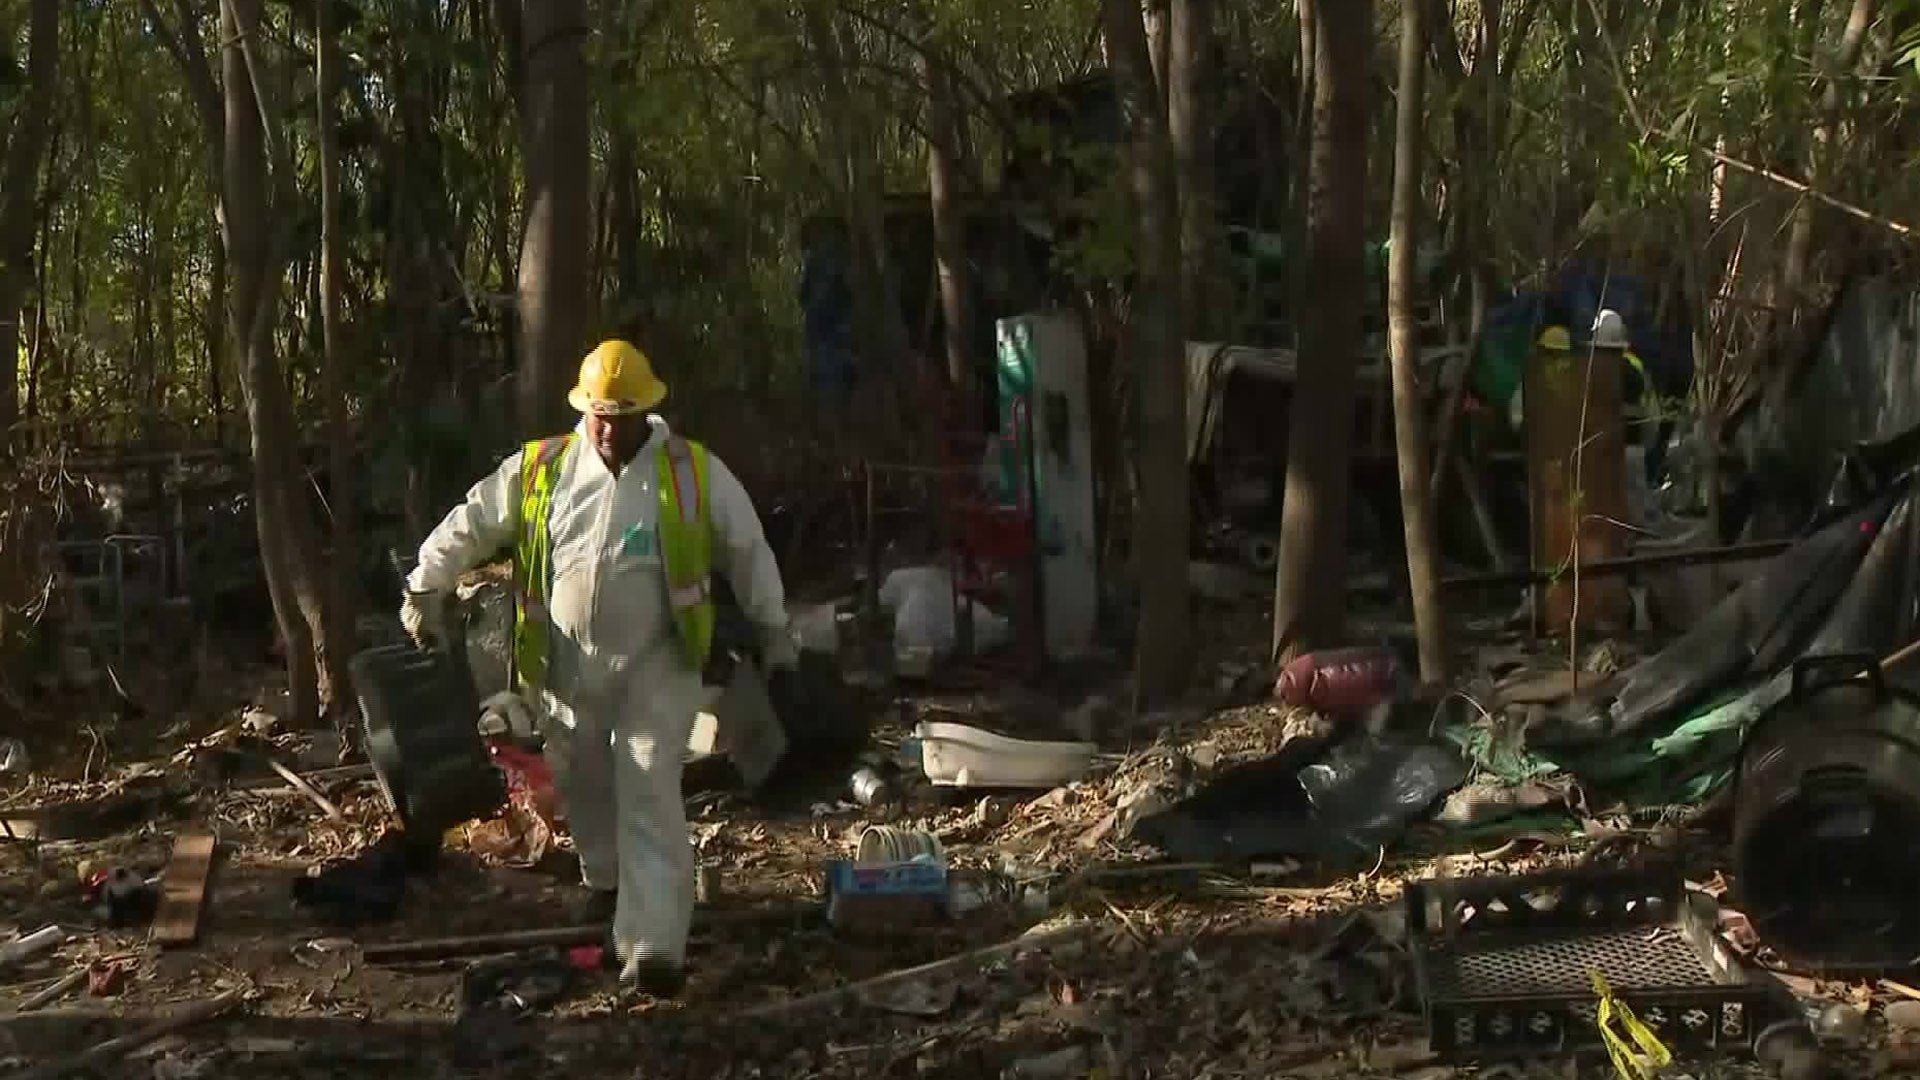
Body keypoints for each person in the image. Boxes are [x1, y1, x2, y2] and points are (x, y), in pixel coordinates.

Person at [399, 339, 797, 997]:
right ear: (584, 410)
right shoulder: (543, 470)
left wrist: (776, 631)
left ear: (647, 410)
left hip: (659, 662)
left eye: (623, 415)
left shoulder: (691, 472)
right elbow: (472, 520)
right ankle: (608, 886)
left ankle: (656, 947)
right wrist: (423, 584)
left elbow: (748, 549)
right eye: (599, 415)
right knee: (582, 780)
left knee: (647, 785)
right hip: (565, 666)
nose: (609, 428)